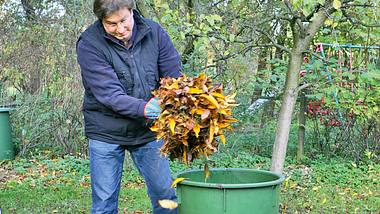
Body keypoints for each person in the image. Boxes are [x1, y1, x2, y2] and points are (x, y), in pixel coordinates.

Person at [76, 0, 181, 213]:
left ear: (132, 11)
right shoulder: (89, 43)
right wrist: (144, 108)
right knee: (104, 203)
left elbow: (173, 75)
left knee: (165, 196)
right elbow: (109, 94)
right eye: (111, 24)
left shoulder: (154, 32)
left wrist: (168, 99)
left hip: (148, 130)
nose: (120, 29)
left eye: (124, 20)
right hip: (106, 130)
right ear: (101, 21)